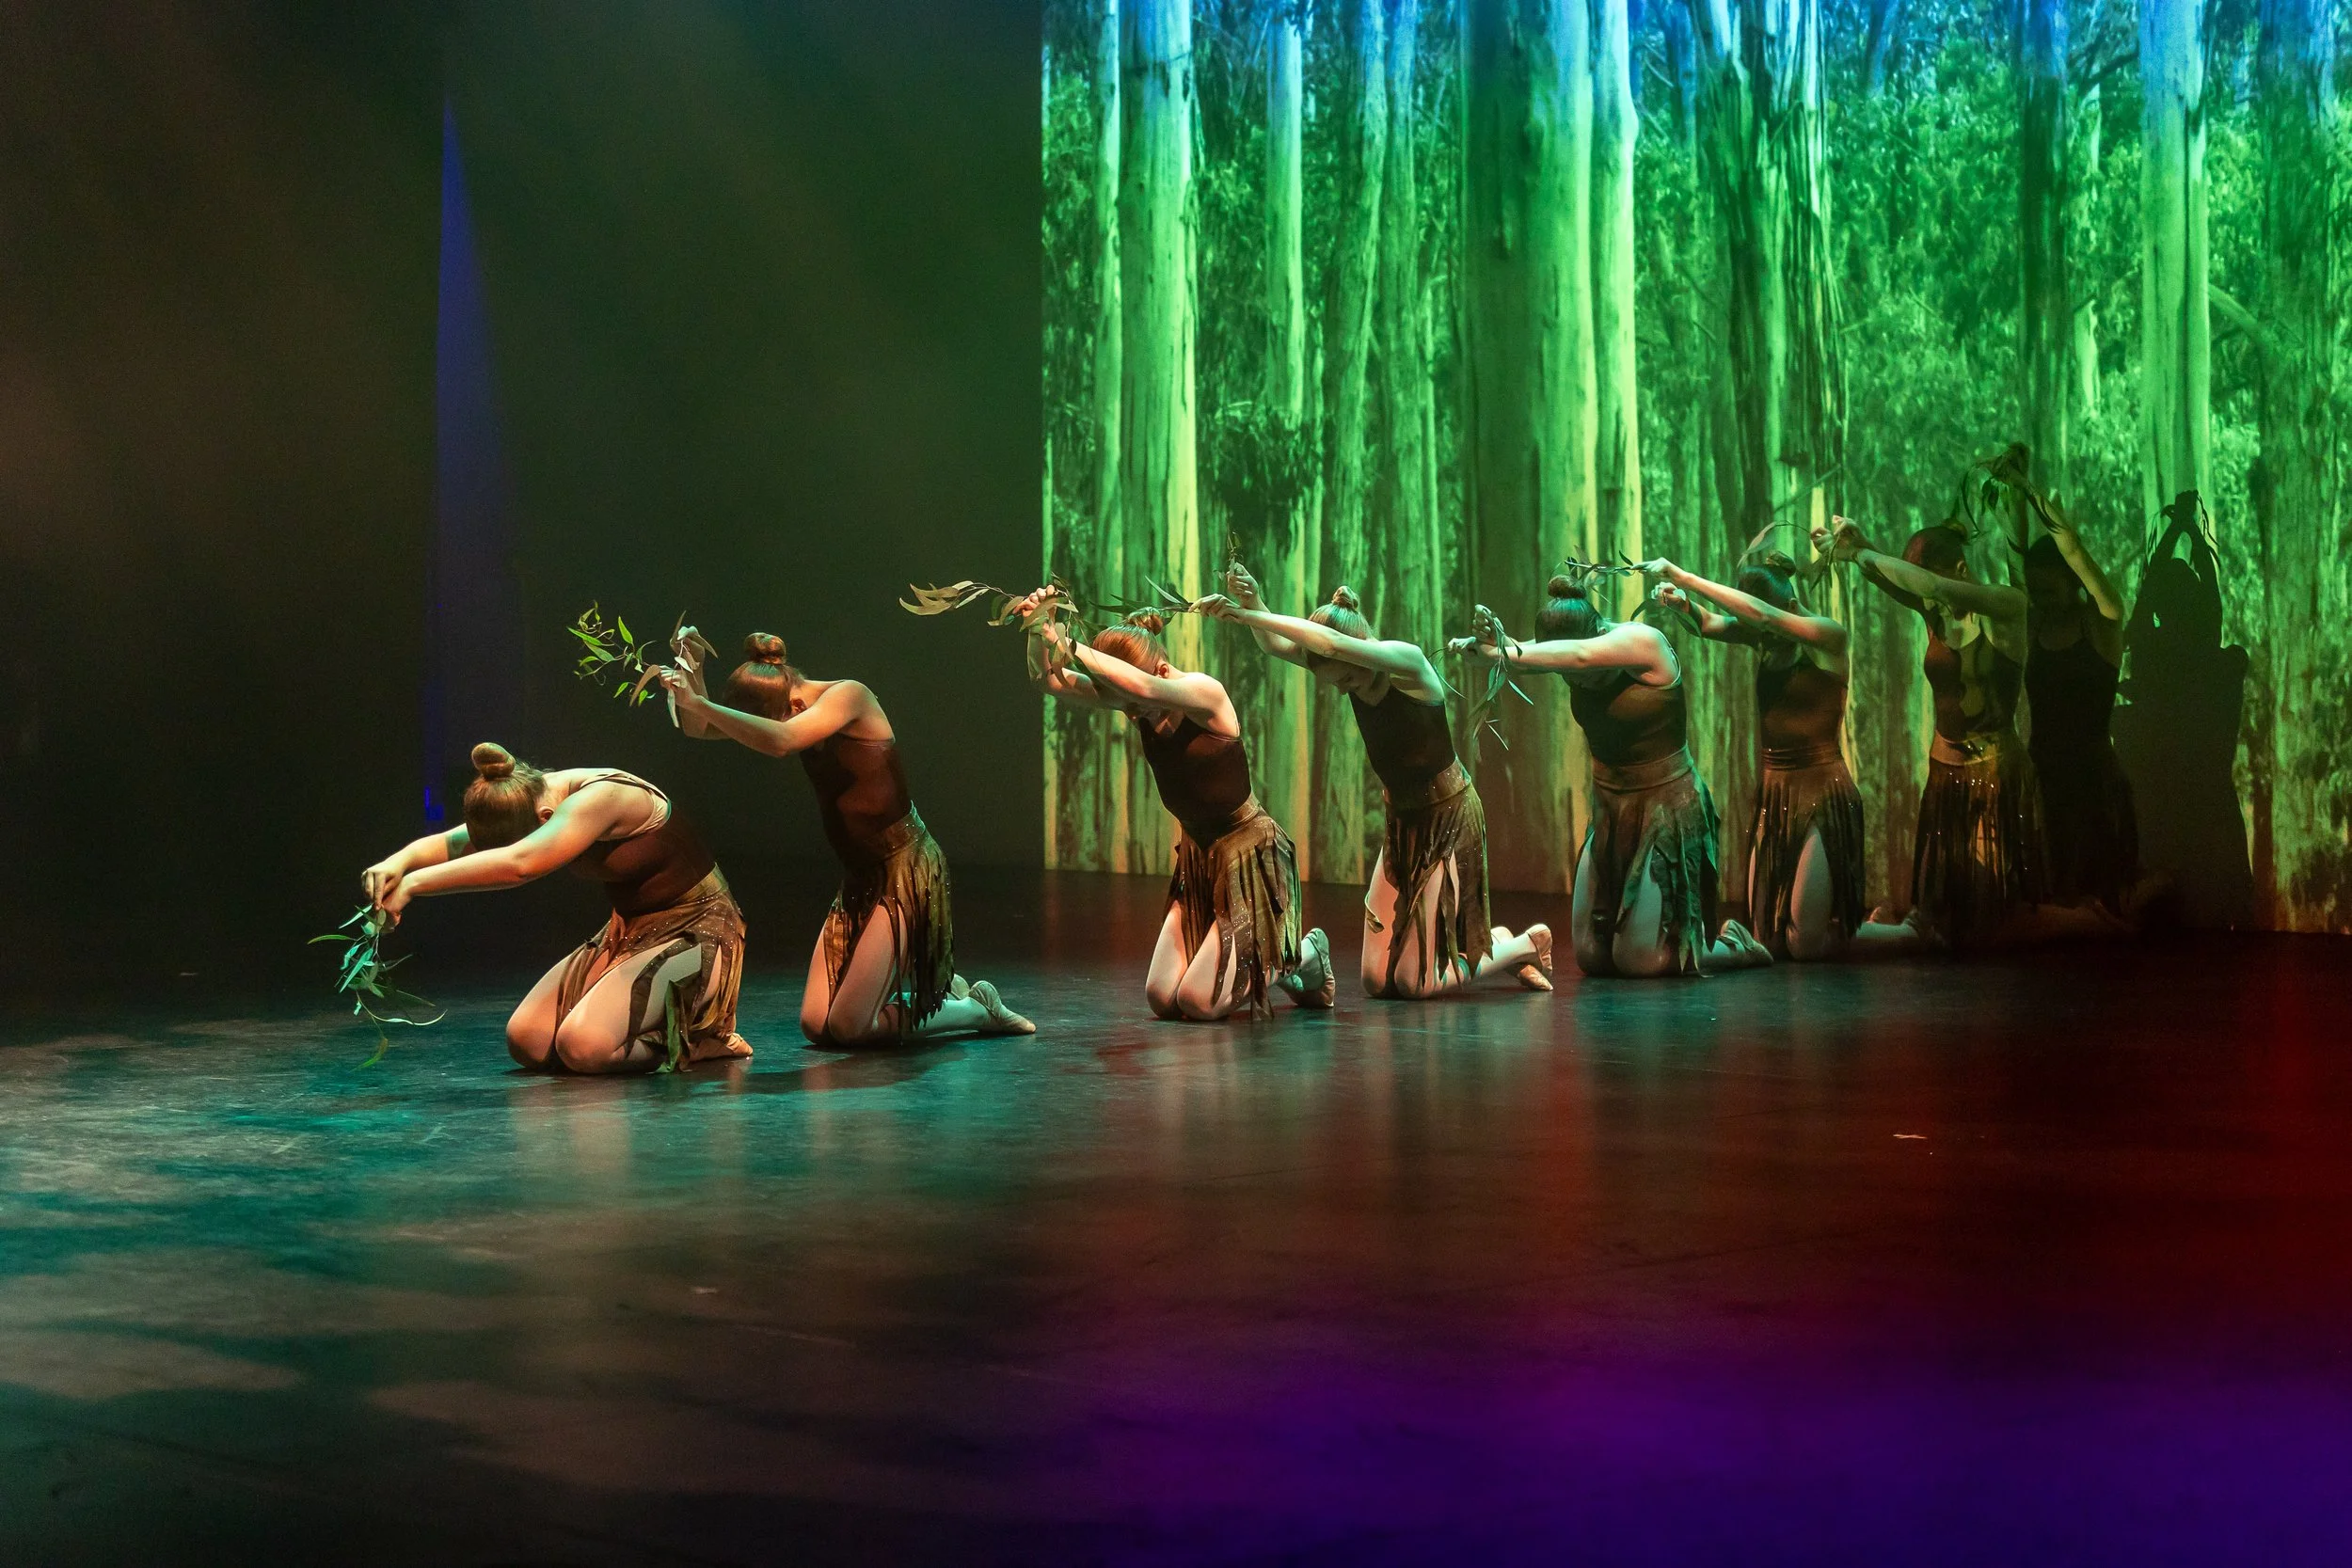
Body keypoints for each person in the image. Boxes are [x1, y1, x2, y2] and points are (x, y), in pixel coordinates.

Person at [657, 633, 1033, 1047]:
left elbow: (781, 740)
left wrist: (699, 702)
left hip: (905, 869)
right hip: (860, 877)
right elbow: (699, 727)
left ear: (794, 706)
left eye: (779, 719)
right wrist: (692, 669)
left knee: (851, 1026)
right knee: (817, 1025)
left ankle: (974, 1009)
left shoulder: (850, 696)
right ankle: (939, 999)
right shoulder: (790, 708)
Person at [1199, 568, 1553, 997]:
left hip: (1447, 819)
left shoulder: (1407, 664)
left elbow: (1331, 645)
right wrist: (1254, 602)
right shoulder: (1343, 665)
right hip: (1401, 821)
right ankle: (1497, 942)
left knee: (1412, 983)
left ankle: (1523, 945)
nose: (1342, 690)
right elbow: (1279, 645)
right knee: (1374, 980)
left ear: (1360, 654)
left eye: (1346, 680)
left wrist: (1247, 615)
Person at [1021, 599, 1335, 1021]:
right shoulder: (1134, 701)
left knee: (1198, 1002)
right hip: (1198, 860)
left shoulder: (1203, 694)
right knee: (1162, 996)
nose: (1129, 711)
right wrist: (1037, 628)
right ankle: (1266, 956)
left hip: (1249, 856)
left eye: (1127, 699)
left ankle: (1304, 954)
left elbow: (1140, 688)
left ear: (1163, 670)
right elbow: (1047, 680)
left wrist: (1067, 643)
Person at [1454, 570, 1771, 978]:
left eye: (1575, 671)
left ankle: (1731, 947)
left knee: (1639, 959)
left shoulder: (1642, 641)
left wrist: (1500, 653)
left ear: (1598, 631)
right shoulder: (1571, 655)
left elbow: (1580, 656)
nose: (1572, 677)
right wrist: (1484, 646)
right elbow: (1541, 655)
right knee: (1591, 956)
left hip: (1666, 809)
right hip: (1611, 811)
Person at [361, 743, 751, 1073]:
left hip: (696, 927)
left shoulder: (602, 798)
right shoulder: (522, 799)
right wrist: (398, 862)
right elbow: (452, 843)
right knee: (528, 1041)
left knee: (583, 1047)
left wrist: (413, 885)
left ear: (545, 820)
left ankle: (700, 1041)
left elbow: (520, 864)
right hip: (628, 929)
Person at [1820, 510, 2045, 947]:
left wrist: (1863, 553)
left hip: (1993, 775)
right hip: (1946, 777)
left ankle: (2097, 921)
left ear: (1960, 568)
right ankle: (1915, 925)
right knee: (1947, 913)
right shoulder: (1938, 612)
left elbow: (1931, 586)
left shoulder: (2005, 604)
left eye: (1929, 578)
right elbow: (1911, 584)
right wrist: (1857, 550)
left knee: (1993, 920)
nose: (1924, 590)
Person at [1642, 551, 1874, 960]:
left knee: (1803, 945)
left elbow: (1763, 617)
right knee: (1767, 937)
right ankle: (1823, 928)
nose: (1756, 630)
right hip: (1777, 791)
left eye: (1759, 620)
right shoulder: (1764, 636)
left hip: (1822, 791)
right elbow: (1710, 623)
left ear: (1789, 605)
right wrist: (1682, 605)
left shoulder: (1827, 635)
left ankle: (1895, 932)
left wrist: (1685, 577)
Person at [2020, 498, 2140, 921]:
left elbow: (2074, 551)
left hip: (2091, 781)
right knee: (2051, 898)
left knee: (2096, 899)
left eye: (2049, 591)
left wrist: (2033, 494)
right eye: (2034, 592)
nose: (2041, 600)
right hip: (2044, 777)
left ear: (2073, 582)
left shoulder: (2102, 622)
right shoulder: (2033, 625)